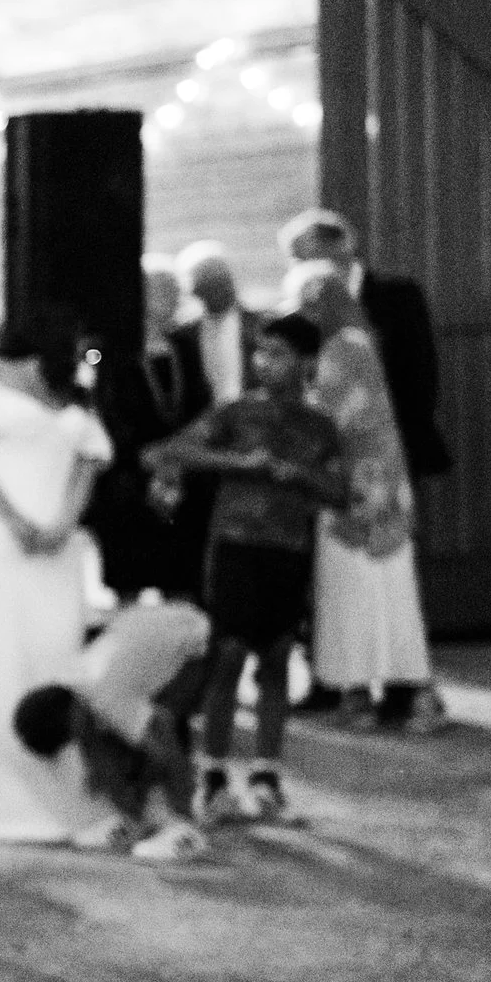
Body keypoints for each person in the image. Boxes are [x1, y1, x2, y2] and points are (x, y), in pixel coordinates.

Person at [148, 313, 349, 823]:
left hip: (289, 551)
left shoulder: (321, 425)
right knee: (227, 657)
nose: (263, 362)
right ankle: (212, 780)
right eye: (259, 352)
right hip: (234, 546)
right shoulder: (234, 414)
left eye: (277, 353)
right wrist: (241, 463)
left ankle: (266, 780)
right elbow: (164, 453)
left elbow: (343, 492)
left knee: (278, 661)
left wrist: (298, 474)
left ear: (307, 362)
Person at [0, 305, 113, 842]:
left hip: (56, 547)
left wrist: (63, 523)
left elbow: (88, 458)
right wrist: (16, 521)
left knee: (53, 659)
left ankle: (59, 794)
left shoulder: (71, 391)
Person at [291, 264, 441, 730]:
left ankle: (375, 693)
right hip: (376, 486)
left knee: (359, 591)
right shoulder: (358, 343)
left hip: (353, 489)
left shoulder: (341, 350)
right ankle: (394, 692)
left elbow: (336, 420)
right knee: (377, 592)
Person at [12, 599, 213, 863]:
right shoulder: (80, 681)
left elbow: (165, 746)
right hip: (182, 626)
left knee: (156, 748)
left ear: (67, 723)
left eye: (69, 740)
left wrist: (175, 800)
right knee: (120, 748)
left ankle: (183, 830)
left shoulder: (106, 698)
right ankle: (143, 820)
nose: (76, 744)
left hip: (200, 642)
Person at [280, 207, 452, 478]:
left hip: (394, 437)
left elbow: (420, 370)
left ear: (341, 246)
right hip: (323, 448)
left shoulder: (398, 296)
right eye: (294, 258)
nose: (298, 266)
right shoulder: (299, 309)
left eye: (304, 255)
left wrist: (399, 437)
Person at [86, 257, 213, 601]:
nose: (173, 300)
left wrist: (180, 452)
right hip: (131, 477)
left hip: (182, 474)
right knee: (129, 575)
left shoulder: (183, 346)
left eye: (176, 293)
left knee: (180, 578)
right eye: (164, 293)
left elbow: (201, 405)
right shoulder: (110, 352)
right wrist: (144, 456)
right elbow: (106, 412)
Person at [175, 241, 250, 407]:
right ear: (194, 289)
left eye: (220, 279)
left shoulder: (262, 325)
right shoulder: (185, 334)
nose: (217, 288)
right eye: (207, 282)